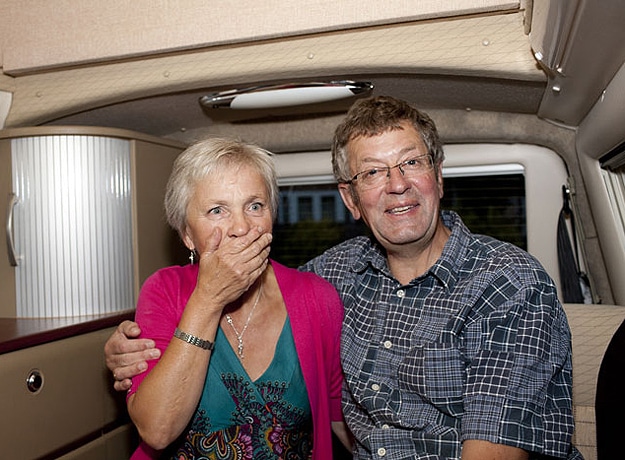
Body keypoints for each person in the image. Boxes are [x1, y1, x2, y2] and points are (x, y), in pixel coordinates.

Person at [106, 96, 580, 459]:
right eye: (372, 173)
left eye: (411, 162)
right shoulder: (335, 276)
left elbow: (494, 448)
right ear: (351, 200)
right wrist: (128, 347)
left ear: (438, 175)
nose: (397, 184)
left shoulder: (508, 282)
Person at [113, 137, 350, 459]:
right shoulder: (164, 290)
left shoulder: (317, 297)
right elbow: (157, 431)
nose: (242, 226)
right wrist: (209, 300)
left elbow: (343, 419)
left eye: (255, 206)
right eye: (217, 210)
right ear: (187, 235)